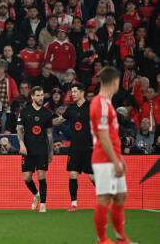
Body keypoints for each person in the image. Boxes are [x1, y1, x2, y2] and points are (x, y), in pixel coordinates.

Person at [90, 66, 136, 244]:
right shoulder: (100, 103)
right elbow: (102, 135)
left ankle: (120, 237)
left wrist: (119, 158)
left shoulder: (107, 103)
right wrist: (115, 160)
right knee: (104, 197)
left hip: (113, 157)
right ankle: (102, 240)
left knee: (120, 195)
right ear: (114, 82)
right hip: (104, 159)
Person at [17, 86, 54, 213]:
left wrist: (51, 151)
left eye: (42, 95)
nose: (40, 97)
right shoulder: (24, 111)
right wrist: (21, 144)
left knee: (41, 175)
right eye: (37, 95)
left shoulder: (47, 113)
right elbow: (19, 129)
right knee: (27, 177)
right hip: (28, 149)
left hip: (42, 148)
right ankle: (36, 194)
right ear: (32, 96)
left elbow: (49, 134)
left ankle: (43, 204)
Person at [63, 83, 95, 211]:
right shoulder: (71, 108)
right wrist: (46, 122)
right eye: (72, 92)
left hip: (89, 147)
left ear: (82, 92)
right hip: (74, 147)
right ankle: (74, 204)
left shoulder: (91, 106)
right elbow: (61, 119)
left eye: (75, 91)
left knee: (92, 176)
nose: (73, 94)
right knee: (72, 175)